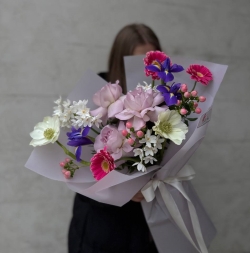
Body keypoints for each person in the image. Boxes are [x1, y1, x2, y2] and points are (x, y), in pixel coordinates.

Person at [68, 23, 162, 253]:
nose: (145, 71)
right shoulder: (97, 100)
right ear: (120, 60)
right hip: (102, 229)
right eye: (137, 62)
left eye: (151, 64)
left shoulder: (163, 104)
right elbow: (81, 174)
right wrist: (124, 188)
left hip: (146, 229)